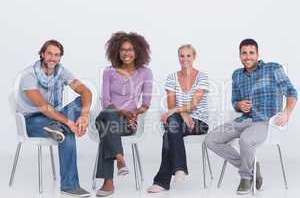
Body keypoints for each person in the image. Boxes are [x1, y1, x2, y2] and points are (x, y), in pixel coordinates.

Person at [204, 39, 298, 195]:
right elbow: (235, 101)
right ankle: (252, 166)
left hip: (265, 120)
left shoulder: (273, 68)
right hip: (243, 119)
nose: (248, 57)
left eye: (251, 53)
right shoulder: (237, 75)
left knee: (246, 140)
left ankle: (246, 177)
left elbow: (291, 92)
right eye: (244, 53)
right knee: (210, 140)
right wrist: (239, 105)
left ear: (258, 54)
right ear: (240, 55)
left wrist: (287, 112)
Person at [17, 40, 92, 197]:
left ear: (60, 57)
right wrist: (68, 122)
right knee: (67, 131)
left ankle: (57, 126)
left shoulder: (61, 72)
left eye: (57, 55)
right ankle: (69, 186)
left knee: (80, 102)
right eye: (49, 53)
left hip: (54, 116)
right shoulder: (28, 75)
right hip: (32, 121)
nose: (53, 58)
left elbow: (85, 91)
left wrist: (84, 116)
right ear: (42, 54)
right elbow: (43, 106)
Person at [95, 31, 153, 197]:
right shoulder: (109, 71)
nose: (126, 53)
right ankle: (119, 158)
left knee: (107, 130)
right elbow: (106, 101)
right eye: (122, 50)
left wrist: (134, 113)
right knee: (110, 115)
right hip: (108, 115)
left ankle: (108, 182)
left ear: (138, 52)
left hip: (128, 122)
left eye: (130, 50)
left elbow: (146, 103)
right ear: (117, 52)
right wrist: (121, 111)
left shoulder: (145, 73)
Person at [147, 44, 209, 193]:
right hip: (178, 119)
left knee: (169, 131)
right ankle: (179, 169)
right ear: (178, 57)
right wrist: (182, 113)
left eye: (188, 55)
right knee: (172, 126)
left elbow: (194, 103)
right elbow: (171, 104)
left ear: (194, 57)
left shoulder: (202, 77)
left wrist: (177, 110)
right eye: (182, 55)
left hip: (199, 122)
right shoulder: (171, 78)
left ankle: (163, 181)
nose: (185, 59)